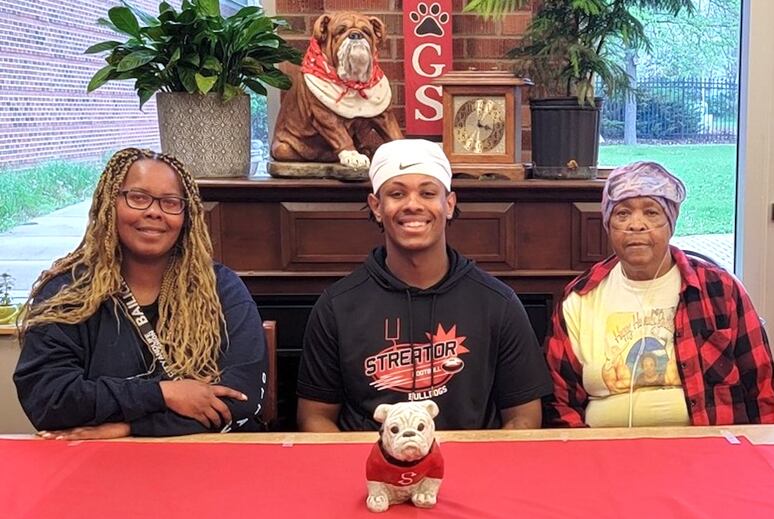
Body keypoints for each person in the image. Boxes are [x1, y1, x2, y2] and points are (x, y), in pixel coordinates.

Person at [296, 138, 552, 431]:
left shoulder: (498, 303)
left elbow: (524, 417)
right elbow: (315, 417)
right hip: (370, 470)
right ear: (377, 207)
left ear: (449, 204)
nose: (412, 205)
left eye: (428, 193)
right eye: (397, 193)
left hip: (471, 469)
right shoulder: (336, 307)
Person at [14, 147, 267, 439]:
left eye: (171, 202)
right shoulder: (66, 293)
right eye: (138, 198)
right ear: (110, 203)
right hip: (100, 463)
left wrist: (130, 428)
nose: (154, 212)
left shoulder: (222, 288)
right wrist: (162, 394)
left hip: (206, 459)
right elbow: (47, 399)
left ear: (186, 216)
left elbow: (243, 399)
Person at [545, 160, 774, 427]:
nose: (637, 225)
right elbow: (560, 403)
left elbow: (761, 388)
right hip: (604, 455)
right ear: (608, 225)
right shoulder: (579, 298)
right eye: (622, 214)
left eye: (651, 212)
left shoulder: (722, 290)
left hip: (707, 455)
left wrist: (764, 453)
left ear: (671, 223)